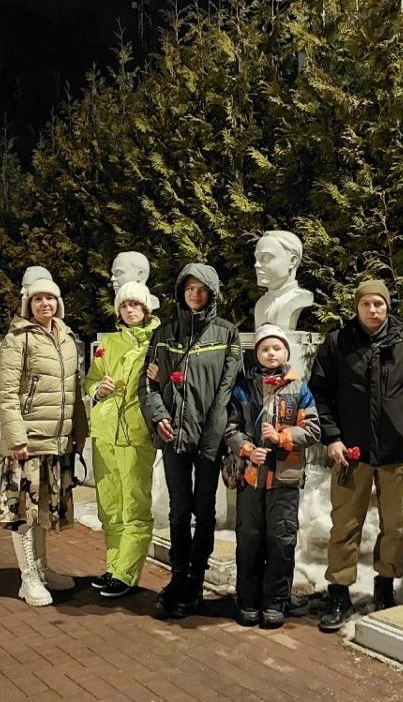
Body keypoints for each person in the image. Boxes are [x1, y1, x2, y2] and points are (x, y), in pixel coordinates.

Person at [307, 278, 403, 632]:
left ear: (387, 306)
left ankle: (385, 588)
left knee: (395, 525)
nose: (372, 310)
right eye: (366, 304)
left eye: (378, 304)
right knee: (345, 524)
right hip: (351, 453)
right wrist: (332, 437)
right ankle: (339, 593)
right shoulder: (338, 343)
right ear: (357, 307)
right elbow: (318, 393)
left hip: (397, 452)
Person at [139, 263, 241, 618]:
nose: (195, 294)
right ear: (181, 291)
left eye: (201, 289)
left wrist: (214, 435)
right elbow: (147, 384)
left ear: (211, 293)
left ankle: (196, 579)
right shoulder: (165, 333)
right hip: (173, 435)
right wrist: (159, 417)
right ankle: (178, 575)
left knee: (205, 509)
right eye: (189, 288)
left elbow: (227, 390)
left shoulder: (226, 333)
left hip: (209, 436)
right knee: (179, 510)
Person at [0, 276, 88, 607]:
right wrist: (16, 437)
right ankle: (28, 577)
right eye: (38, 299)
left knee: (44, 508)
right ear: (28, 304)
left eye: (50, 298)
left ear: (58, 303)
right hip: (29, 441)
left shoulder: (66, 337)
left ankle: (42, 568)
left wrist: (79, 432)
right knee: (23, 510)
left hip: (57, 440)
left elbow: (74, 389)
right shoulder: (17, 338)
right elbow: (6, 393)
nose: (44, 304)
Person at [225, 323, 320, 628]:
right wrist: (247, 450)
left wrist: (282, 438)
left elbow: (312, 429)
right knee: (249, 540)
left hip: (284, 480)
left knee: (281, 541)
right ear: (256, 354)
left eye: (277, 348)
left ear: (285, 352)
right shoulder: (243, 389)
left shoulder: (299, 389)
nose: (271, 353)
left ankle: (275, 602)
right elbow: (231, 428)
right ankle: (248, 601)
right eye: (264, 348)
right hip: (250, 478)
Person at [83, 281, 160, 598]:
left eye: (136, 305)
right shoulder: (109, 343)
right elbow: (90, 380)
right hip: (104, 433)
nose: (130, 310)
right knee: (110, 506)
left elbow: (171, 384)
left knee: (134, 506)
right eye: (125, 305)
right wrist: (96, 390)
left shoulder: (157, 342)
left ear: (146, 308)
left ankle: (126, 574)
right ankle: (114, 567)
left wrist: (161, 378)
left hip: (135, 434)